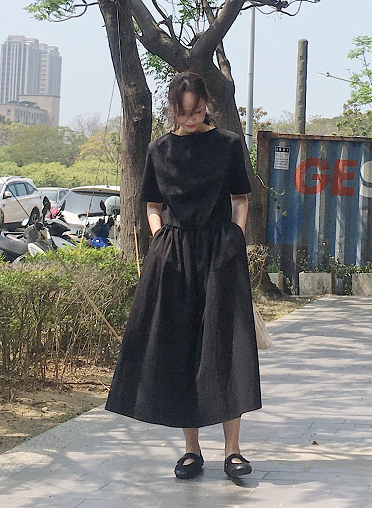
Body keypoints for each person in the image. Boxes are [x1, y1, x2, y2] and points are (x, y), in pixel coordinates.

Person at [105, 71, 261, 479]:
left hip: (220, 253)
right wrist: (160, 238)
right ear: (172, 109)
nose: (190, 119)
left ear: (206, 104)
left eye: (197, 110)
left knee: (226, 348)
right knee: (181, 348)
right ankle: (191, 449)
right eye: (182, 112)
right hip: (173, 256)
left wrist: (235, 237)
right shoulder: (159, 149)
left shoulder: (228, 144)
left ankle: (233, 451)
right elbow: (152, 205)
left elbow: (240, 198)